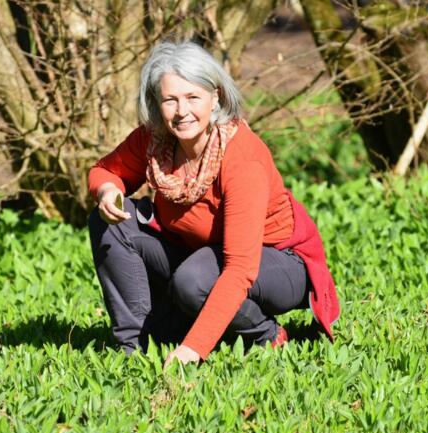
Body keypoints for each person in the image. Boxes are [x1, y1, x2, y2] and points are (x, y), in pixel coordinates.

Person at [88, 41, 340, 368]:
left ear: (215, 97)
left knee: (194, 280)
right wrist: (108, 191)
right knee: (111, 223)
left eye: (193, 97)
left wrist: (193, 349)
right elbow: (105, 171)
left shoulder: (241, 158)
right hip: (200, 253)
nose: (182, 111)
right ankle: (136, 345)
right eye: (170, 100)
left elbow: (240, 269)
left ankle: (265, 335)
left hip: (277, 261)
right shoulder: (154, 140)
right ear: (156, 102)